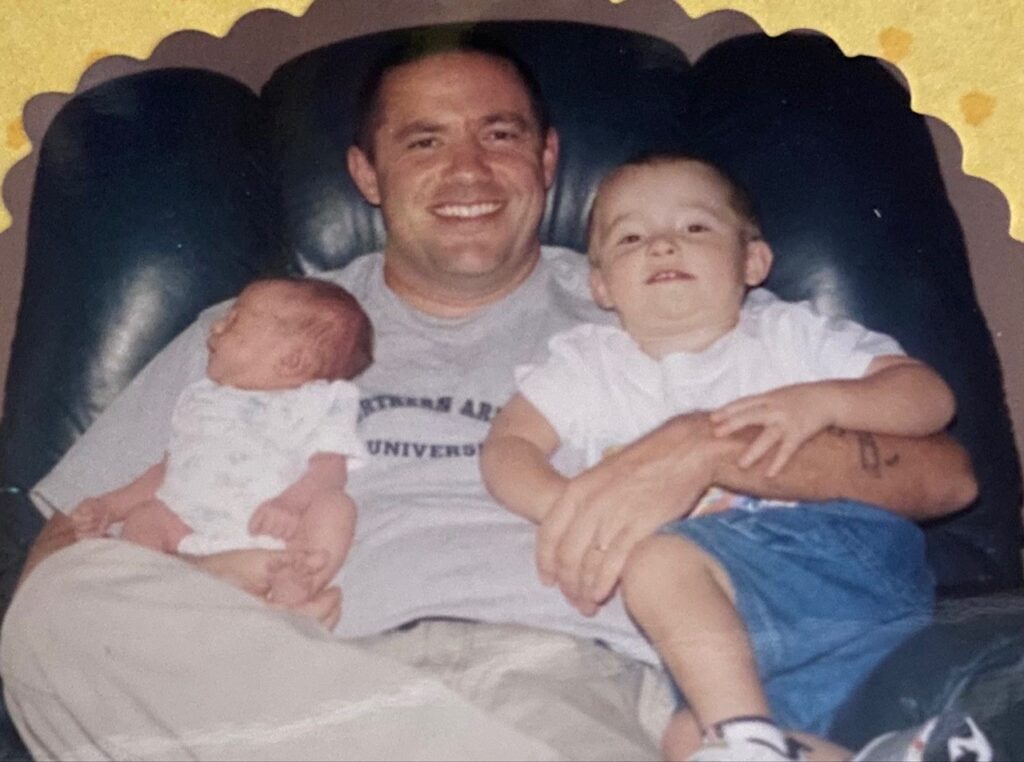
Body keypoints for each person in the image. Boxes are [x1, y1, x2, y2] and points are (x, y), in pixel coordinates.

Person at [0, 35, 979, 761]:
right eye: (422, 142)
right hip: (290, 675)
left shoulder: (659, 283)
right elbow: (69, 551)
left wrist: (704, 448)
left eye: (498, 135)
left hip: (561, 680)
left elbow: (941, 476)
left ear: (547, 162)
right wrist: (230, 588)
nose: (466, 170)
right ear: (365, 175)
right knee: (56, 612)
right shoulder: (253, 323)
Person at [481, 154, 974, 761]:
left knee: (660, 562)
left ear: (753, 261)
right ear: (601, 285)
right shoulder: (588, 365)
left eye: (694, 228)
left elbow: (930, 398)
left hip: (838, 559)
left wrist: (825, 401)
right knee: (687, 740)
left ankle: (743, 736)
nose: (662, 246)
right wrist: (570, 507)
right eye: (631, 237)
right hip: (733, 632)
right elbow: (508, 447)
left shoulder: (791, 338)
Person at [69, 278, 372, 610]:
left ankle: (294, 592)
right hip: (188, 534)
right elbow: (168, 472)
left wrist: (292, 503)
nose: (216, 327)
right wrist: (109, 507)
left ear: (291, 362)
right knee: (146, 518)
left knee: (336, 506)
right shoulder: (201, 399)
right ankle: (142, 592)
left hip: (281, 537)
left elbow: (329, 471)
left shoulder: (318, 402)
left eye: (235, 320)